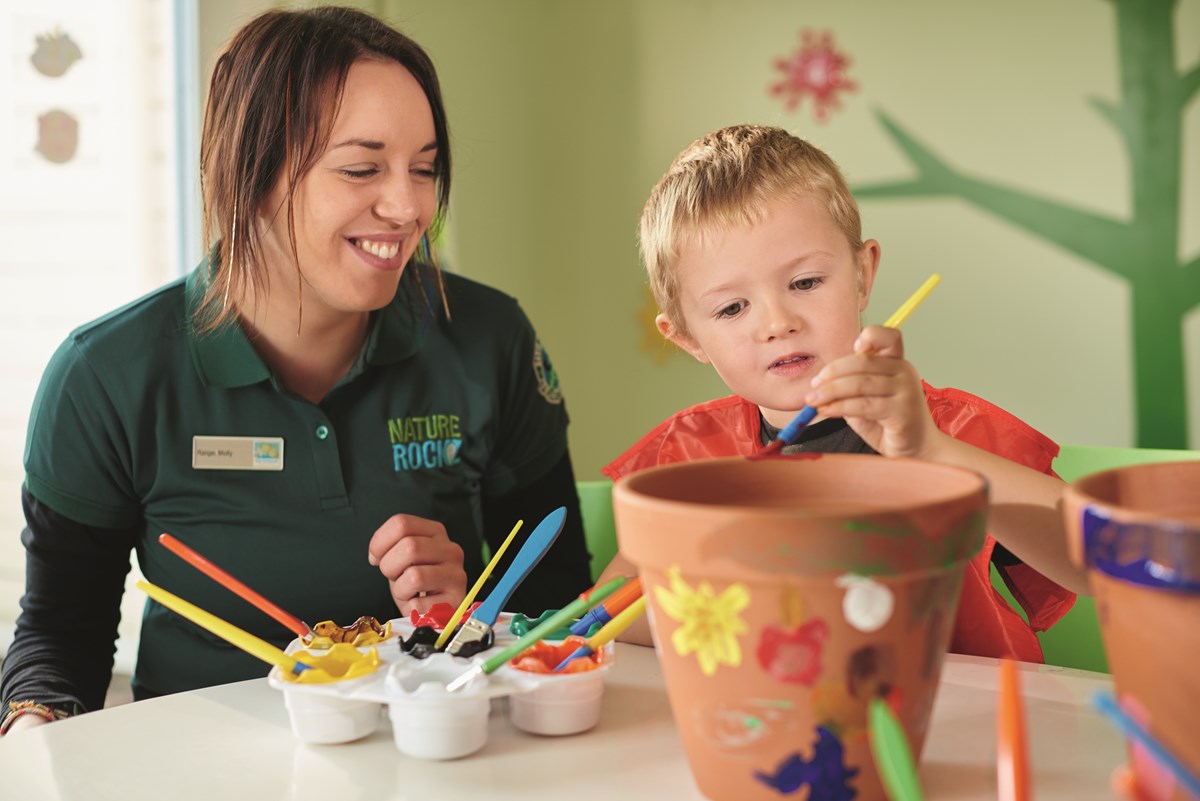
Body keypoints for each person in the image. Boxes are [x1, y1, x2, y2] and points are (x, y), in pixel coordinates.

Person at [0, 6, 592, 734]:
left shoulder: (490, 339)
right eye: (361, 168)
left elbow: (563, 606)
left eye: (425, 168)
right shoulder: (105, 376)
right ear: (250, 172)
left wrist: (478, 608)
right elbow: (61, 636)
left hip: (440, 759)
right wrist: (31, 734)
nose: (409, 207)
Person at [597, 124, 1085, 661]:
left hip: (969, 726)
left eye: (805, 283)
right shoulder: (688, 454)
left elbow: (1110, 564)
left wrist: (931, 451)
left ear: (862, 274)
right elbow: (608, 611)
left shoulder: (956, 430)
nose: (778, 323)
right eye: (733, 308)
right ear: (688, 337)